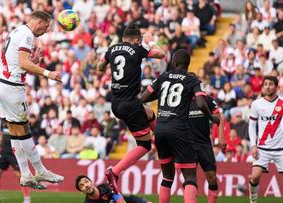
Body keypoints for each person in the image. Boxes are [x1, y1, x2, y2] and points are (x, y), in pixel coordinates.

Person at [0, 10, 63, 190]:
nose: (45, 31)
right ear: (39, 22)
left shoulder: (16, 31)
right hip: (12, 87)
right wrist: (48, 73)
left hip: (0, 83)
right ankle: (40, 170)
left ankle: (25, 174)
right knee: (24, 130)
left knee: (15, 130)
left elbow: (19, 62)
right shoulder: (27, 35)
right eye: (46, 27)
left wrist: (33, 61)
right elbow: (23, 64)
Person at [139, 49, 220, 203]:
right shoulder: (192, 80)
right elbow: (202, 103)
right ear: (188, 65)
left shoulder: (163, 76)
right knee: (189, 176)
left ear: (174, 63)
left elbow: (143, 97)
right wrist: (211, 117)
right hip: (179, 129)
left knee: (167, 177)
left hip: (160, 129)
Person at [97, 23, 165, 193]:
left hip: (116, 103)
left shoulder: (111, 49)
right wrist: (150, 41)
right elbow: (161, 54)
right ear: (136, 39)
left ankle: (163, 140)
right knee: (144, 145)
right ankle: (115, 171)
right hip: (130, 104)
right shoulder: (137, 49)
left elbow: (99, 67)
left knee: (149, 113)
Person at [248, 76, 283, 203]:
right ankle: (253, 201)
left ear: (277, 87)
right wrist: (253, 145)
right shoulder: (256, 104)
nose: (268, 86)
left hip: (281, 149)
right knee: (255, 176)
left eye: (271, 84)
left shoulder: (282, 103)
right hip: (262, 148)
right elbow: (252, 126)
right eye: (265, 84)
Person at [188, 91, 225, 203]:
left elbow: (219, 116)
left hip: (204, 144)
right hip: (188, 144)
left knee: (212, 177)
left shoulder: (205, 98)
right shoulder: (181, 100)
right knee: (190, 179)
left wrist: (221, 137)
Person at [0, 121, 31, 203]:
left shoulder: (17, 121)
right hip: (4, 153)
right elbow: (2, 136)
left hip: (14, 153)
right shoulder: (3, 122)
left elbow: (24, 136)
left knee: (19, 176)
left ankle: (27, 199)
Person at [75, 175, 151, 203]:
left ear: (92, 182)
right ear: (82, 191)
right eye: (82, 186)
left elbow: (124, 199)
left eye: (86, 182)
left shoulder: (106, 187)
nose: (86, 185)